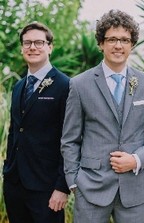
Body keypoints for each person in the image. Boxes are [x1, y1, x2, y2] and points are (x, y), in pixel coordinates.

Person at [60, 9, 144, 223]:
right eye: (112, 39)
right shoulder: (80, 85)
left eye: (125, 40)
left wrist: (136, 159)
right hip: (91, 187)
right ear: (101, 43)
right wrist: (74, 181)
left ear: (132, 45)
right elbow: (70, 139)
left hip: (134, 189)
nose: (118, 45)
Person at [3, 22, 70, 223]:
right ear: (22, 48)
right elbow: (15, 131)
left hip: (47, 187)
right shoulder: (18, 86)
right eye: (27, 43)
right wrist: (8, 169)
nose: (32, 47)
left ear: (50, 47)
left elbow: (70, 139)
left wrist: (62, 187)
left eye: (39, 42)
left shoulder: (65, 85)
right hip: (15, 184)